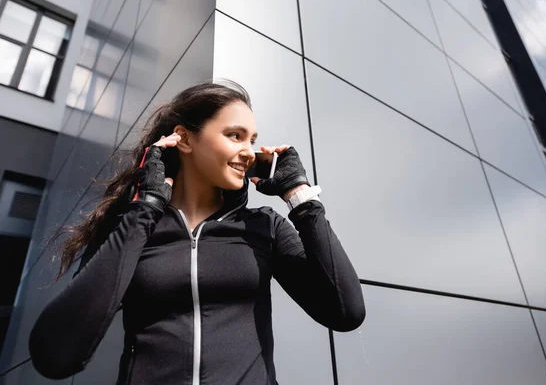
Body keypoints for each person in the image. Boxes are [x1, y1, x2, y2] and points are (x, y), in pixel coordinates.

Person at [29, 80, 366, 385]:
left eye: (253, 140)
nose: (249, 152)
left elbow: (345, 312)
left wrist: (300, 197)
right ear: (186, 139)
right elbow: (56, 355)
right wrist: (144, 210)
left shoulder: (264, 226)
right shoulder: (133, 227)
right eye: (235, 135)